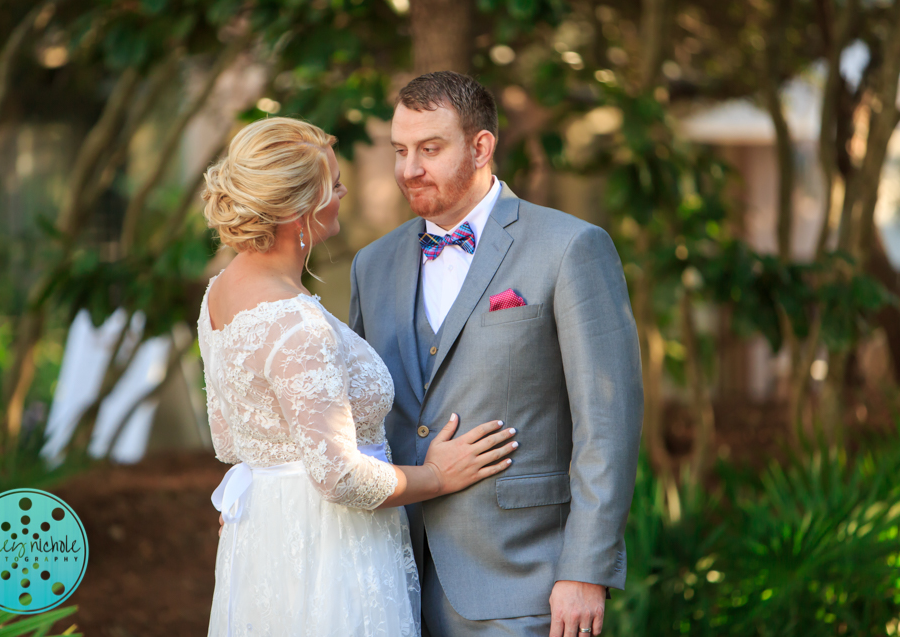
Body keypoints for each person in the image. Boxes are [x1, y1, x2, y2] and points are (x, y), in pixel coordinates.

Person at [198, 117, 519, 637]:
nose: (344, 191)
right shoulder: (295, 321)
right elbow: (341, 477)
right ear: (300, 209)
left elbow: (231, 438)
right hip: (331, 553)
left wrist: (268, 495)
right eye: (334, 184)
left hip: (264, 541)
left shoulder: (219, 294)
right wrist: (439, 476)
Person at [349, 71, 644, 637]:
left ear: (481, 146)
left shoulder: (570, 247)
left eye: (430, 149)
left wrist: (584, 571)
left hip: (524, 584)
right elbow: (360, 418)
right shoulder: (373, 264)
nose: (409, 168)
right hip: (392, 582)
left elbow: (607, 422)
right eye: (400, 150)